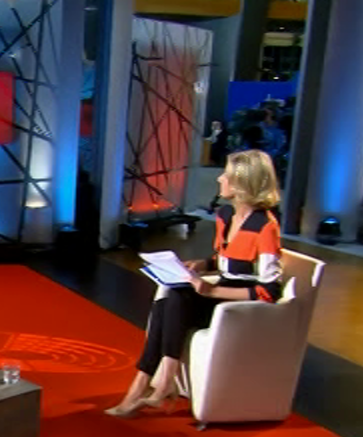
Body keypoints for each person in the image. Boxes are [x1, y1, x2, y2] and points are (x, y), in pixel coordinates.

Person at [105, 150, 285, 418]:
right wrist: (203, 264)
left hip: (239, 306)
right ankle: (147, 383)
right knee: (170, 298)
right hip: (218, 294)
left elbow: (269, 291)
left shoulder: (265, 227)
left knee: (177, 298)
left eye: (226, 175)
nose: (220, 179)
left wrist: (212, 290)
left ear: (242, 184)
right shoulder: (226, 215)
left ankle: (158, 384)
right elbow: (227, 259)